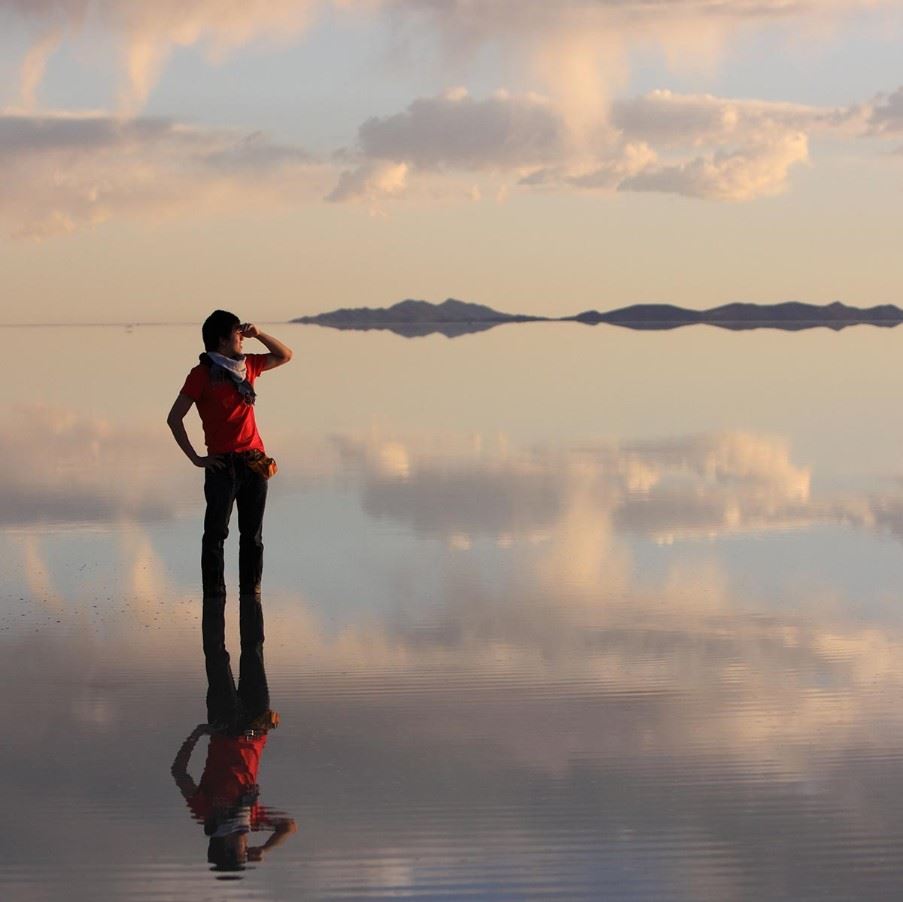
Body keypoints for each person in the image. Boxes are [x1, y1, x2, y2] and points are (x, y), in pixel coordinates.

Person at [167, 310, 292, 726]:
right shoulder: (201, 375)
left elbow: (286, 355)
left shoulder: (249, 365)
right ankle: (214, 597)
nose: (243, 339)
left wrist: (261, 333)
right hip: (222, 468)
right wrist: (198, 459)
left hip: (254, 464)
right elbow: (175, 418)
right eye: (238, 334)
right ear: (222, 340)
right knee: (215, 535)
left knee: (252, 537)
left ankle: (250, 595)